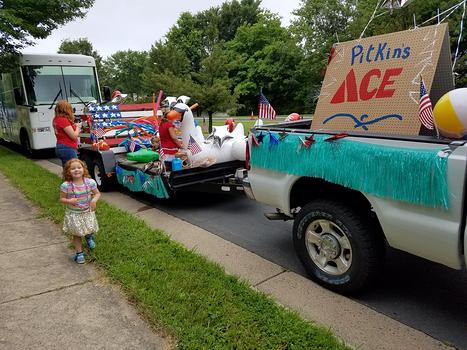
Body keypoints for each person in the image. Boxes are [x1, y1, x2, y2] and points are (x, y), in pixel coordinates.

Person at [60, 158, 100, 264]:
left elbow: (97, 193)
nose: (76, 170)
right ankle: (80, 254)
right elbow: (62, 199)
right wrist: (69, 200)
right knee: (76, 234)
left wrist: (94, 201)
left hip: (87, 211)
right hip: (74, 214)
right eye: (73, 168)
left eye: (79, 167)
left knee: (88, 228)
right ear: (68, 171)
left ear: (83, 169)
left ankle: (88, 236)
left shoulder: (90, 182)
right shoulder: (66, 185)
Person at [53, 100, 81, 167]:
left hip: (60, 146)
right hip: (68, 148)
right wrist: (78, 127)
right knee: (73, 169)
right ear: (66, 109)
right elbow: (74, 136)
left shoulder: (56, 119)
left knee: (67, 170)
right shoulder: (63, 120)